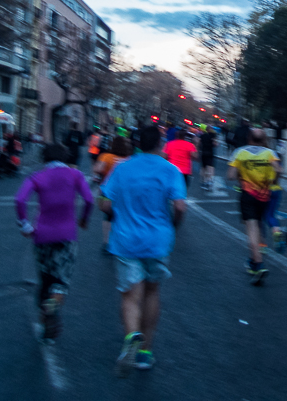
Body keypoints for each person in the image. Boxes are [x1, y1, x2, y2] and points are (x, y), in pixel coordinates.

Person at [99, 125, 187, 375]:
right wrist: (173, 227)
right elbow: (180, 207)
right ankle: (146, 353)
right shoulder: (170, 170)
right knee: (152, 292)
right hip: (158, 241)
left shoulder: (121, 168)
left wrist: (116, 214)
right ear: (160, 144)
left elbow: (104, 204)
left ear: (136, 144)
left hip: (126, 240)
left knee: (130, 296)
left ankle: (130, 337)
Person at [15, 143, 94, 344]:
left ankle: (44, 327)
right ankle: (53, 305)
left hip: (42, 235)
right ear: (65, 156)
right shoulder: (75, 175)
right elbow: (89, 199)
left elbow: (19, 200)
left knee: (46, 279)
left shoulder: (38, 176)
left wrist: (25, 225)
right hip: (67, 235)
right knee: (61, 280)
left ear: (44, 158)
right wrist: (84, 219)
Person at [227, 129, 281, 284]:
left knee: (251, 229)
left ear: (249, 137)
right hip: (265, 195)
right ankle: (253, 260)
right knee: (259, 225)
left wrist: (241, 176)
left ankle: (258, 264)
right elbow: (279, 170)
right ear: (264, 139)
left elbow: (230, 176)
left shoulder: (240, 152)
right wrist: (274, 180)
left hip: (248, 195)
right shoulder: (270, 153)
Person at [93, 135, 134, 254]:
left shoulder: (106, 156)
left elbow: (97, 169)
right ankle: (122, 241)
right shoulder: (128, 159)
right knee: (123, 216)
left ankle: (106, 243)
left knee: (108, 216)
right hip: (125, 192)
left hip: (107, 190)